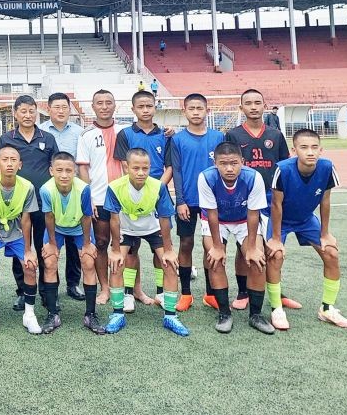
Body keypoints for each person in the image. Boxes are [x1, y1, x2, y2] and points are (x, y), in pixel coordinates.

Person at [266, 129, 347, 330]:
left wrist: (325, 233)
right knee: (276, 255)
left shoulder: (327, 168)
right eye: (304, 147)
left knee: (331, 252)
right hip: (281, 218)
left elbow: (325, 200)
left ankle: (327, 308)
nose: (310, 152)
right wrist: (277, 238)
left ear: (321, 149)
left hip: (306, 218)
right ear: (294, 150)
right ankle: (276, 308)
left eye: (314, 147)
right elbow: (276, 206)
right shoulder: (283, 169)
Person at [224, 89, 300, 311]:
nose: (254, 107)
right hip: (243, 199)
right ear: (241, 108)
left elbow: (286, 167)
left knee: (273, 248)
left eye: (258, 102)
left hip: (271, 199)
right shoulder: (233, 135)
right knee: (243, 247)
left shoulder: (275, 135)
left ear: (265, 105)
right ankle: (242, 291)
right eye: (248, 103)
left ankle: (277, 290)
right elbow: (228, 164)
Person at [103, 149, 189, 337]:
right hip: (127, 229)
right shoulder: (115, 187)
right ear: (126, 167)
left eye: (145, 168)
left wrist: (168, 250)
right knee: (116, 265)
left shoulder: (158, 187)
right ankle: (117, 314)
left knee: (170, 265)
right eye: (136, 168)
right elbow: (114, 219)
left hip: (153, 227)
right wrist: (115, 249)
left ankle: (171, 316)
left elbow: (165, 217)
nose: (141, 172)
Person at [199, 142, 275, 335]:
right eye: (223, 163)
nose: (229, 168)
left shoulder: (253, 177)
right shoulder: (206, 177)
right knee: (214, 260)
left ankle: (255, 315)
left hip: (244, 219)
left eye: (234, 163)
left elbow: (253, 214)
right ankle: (224, 313)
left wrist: (251, 247)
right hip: (217, 220)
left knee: (258, 261)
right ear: (215, 163)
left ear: (243, 161)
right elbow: (212, 213)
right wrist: (217, 247)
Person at [0, 95, 58, 309]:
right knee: (20, 248)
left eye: (32, 111)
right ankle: (23, 290)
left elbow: (56, 167)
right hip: (17, 204)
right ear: (15, 113)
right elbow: (0, 169)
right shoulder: (6, 139)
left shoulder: (48, 138)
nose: (28, 115)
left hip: (43, 203)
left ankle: (46, 290)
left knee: (44, 246)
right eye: (23, 111)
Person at [113, 90, 172, 309]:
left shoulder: (166, 135)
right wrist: (134, 193)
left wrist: (156, 191)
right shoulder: (125, 134)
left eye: (149, 106)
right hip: (132, 198)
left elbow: (169, 167)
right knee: (131, 249)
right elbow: (122, 166)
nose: (145, 110)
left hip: (157, 198)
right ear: (133, 109)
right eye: (141, 106)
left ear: (155, 107)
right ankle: (129, 293)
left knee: (160, 248)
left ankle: (161, 292)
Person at [0, 144, 40, 337]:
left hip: (17, 230)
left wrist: (28, 250)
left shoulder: (27, 186)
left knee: (29, 265)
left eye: (13, 160)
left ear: (20, 164)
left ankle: (29, 314)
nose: (9, 164)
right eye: (5, 160)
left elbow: (27, 219)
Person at [169, 93, 225, 311]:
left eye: (199, 108)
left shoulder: (218, 137)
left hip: (212, 202)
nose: (195, 112)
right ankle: (186, 293)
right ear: (185, 112)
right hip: (188, 201)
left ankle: (210, 293)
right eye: (191, 109)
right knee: (186, 243)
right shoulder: (178, 140)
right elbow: (178, 171)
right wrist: (180, 201)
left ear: (206, 111)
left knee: (209, 245)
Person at [40, 152, 104, 334]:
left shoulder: (83, 188)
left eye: (69, 170)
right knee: (50, 262)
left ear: (75, 172)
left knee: (88, 262)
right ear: (51, 171)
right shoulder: (46, 189)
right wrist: (52, 244)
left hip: (78, 228)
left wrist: (86, 244)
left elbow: (86, 216)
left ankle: (90, 314)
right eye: (59, 170)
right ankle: (53, 313)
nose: (64, 175)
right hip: (57, 228)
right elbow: (49, 216)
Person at [39, 92, 84, 299]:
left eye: (64, 107)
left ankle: (73, 284)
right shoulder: (41, 132)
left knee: (75, 246)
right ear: (49, 109)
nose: (60, 110)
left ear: (69, 109)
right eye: (56, 107)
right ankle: (51, 285)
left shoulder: (79, 132)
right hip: (50, 193)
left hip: (74, 193)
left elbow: (83, 163)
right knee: (50, 243)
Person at [76, 89, 119, 305]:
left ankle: (131, 289)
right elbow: (83, 169)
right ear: (93, 107)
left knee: (129, 245)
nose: (104, 106)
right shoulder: (85, 135)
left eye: (108, 102)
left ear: (115, 105)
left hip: (123, 200)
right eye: (99, 102)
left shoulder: (125, 131)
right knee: (101, 243)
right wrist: (89, 198)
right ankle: (105, 288)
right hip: (99, 199)